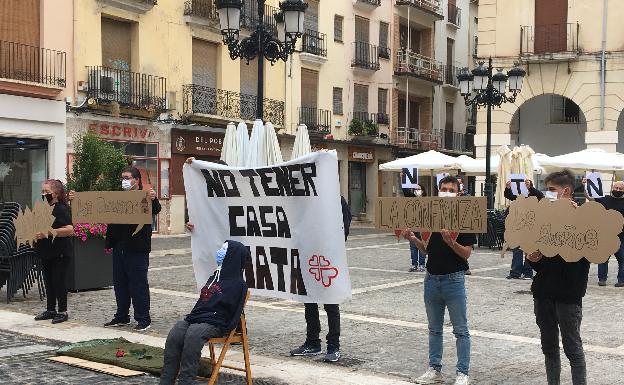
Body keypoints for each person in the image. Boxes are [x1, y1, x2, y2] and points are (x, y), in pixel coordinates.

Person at [402, 175, 476, 385]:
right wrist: (414, 239)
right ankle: (435, 368)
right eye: (444, 189)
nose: (447, 193)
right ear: (438, 191)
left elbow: (466, 254)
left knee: (460, 330)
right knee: (434, 328)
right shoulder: (430, 217)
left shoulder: (465, 218)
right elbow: (427, 251)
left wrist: (451, 242)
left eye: (451, 190)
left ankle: (462, 372)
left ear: (458, 193)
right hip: (431, 279)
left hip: (454, 280)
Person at [527, 170, 589, 385]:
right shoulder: (543, 219)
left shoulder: (584, 219)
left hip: (568, 295)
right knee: (549, 348)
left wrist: (579, 220)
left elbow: (590, 254)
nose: (547, 194)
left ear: (566, 191)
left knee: (573, 349)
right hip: (543, 293)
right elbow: (538, 261)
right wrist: (532, 257)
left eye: (551, 190)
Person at [160, 241, 248, 385]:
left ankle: (186, 380)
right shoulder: (213, 277)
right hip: (200, 317)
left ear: (232, 255)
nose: (220, 252)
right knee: (177, 331)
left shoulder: (238, 284)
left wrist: (223, 323)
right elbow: (203, 302)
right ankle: (166, 380)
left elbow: (233, 312)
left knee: (194, 333)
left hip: (217, 322)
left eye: (224, 250)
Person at [290, 195, 352, 363]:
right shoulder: (306, 200)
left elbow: (344, 229)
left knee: (330, 303)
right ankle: (312, 342)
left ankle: (333, 345)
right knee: (309, 301)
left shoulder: (337, 200)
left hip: (327, 259)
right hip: (307, 257)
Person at [103, 166, 161, 331]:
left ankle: (143, 318)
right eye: (123, 177)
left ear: (136, 180)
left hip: (137, 248)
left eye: (127, 177)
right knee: (120, 284)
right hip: (119, 246)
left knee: (138, 284)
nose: (124, 181)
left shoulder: (145, 195)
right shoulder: (117, 197)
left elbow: (156, 209)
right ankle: (122, 316)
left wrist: (154, 198)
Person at [34, 179, 74, 324]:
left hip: (60, 252)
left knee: (59, 281)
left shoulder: (61, 209)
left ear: (56, 193)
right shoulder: (44, 208)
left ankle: (63, 311)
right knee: (49, 281)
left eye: (47, 192)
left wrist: (49, 233)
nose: (43, 194)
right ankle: (50, 309)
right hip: (47, 251)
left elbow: (69, 229)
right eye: (42, 192)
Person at [582, 179, 624, 287]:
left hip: (621, 237)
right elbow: (590, 197)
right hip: (605, 236)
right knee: (603, 259)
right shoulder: (605, 199)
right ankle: (602, 279)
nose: (618, 190)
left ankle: (621, 280)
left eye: (620, 188)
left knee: (622, 260)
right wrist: (585, 185)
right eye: (616, 188)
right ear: (612, 188)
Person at [504, 179, 544, 280]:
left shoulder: (534, 194)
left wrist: (530, 188)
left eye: (527, 185)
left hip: (530, 225)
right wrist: (508, 188)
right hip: (517, 225)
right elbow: (509, 195)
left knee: (528, 249)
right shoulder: (518, 196)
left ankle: (528, 272)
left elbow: (541, 196)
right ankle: (515, 272)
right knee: (516, 249)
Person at [402, 182, 428, 272]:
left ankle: (422, 264)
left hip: (423, 227)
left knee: (422, 246)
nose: (417, 191)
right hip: (412, 226)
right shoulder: (412, 199)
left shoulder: (427, 200)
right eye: (415, 189)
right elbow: (406, 191)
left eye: (419, 189)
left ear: (423, 190)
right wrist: (404, 179)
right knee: (413, 247)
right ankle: (414, 264)